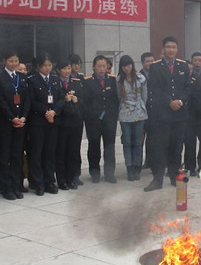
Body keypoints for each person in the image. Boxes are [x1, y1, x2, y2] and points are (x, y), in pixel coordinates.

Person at [144, 36, 192, 191]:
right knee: (160, 147)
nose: (171, 50)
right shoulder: (156, 67)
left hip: (180, 114)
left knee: (176, 147)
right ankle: (157, 179)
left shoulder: (183, 66)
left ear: (177, 49)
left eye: (173, 47)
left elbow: (188, 88)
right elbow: (154, 89)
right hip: (162, 115)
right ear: (163, 49)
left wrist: (181, 101)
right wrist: (169, 102)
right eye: (168, 47)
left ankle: (174, 177)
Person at [0, 50, 30, 201]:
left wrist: (23, 117)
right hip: (6, 124)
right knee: (4, 156)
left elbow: (27, 99)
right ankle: (5, 186)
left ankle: (16, 184)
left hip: (20, 123)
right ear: (4, 61)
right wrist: (12, 118)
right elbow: (0, 101)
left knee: (17, 156)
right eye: (11, 61)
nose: (14, 64)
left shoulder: (22, 78)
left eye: (16, 61)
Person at [27, 53, 61, 194]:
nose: (47, 68)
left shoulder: (55, 79)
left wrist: (54, 111)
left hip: (52, 121)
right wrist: (45, 112)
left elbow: (60, 98)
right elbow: (31, 101)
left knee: (50, 152)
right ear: (38, 66)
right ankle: (38, 183)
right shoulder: (32, 80)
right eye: (44, 65)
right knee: (37, 153)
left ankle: (49, 181)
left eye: (49, 65)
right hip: (38, 121)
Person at [83, 55, 119, 183]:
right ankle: (94, 173)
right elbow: (85, 102)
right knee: (94, 146)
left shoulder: (113, 80)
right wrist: (92, 115)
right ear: (94, 67)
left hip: (109, 119)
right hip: (93, 120)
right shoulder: (87, 81)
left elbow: (116, 100)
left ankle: (109, 173)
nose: (102, 69)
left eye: (104, 66)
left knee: (109, 146)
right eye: (99, 66)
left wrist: (114, 115)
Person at [53, 59, 83, 189]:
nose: (67, 71)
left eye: (69, 68)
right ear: (59, 70)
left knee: (73, 151)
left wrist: (77, 100)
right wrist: (64, 100)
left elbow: (84, 99)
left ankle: (71, 178)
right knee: (61, 152)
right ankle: (61, 179)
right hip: (61, 122)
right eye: (64, 68)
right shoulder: (55, 83)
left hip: (75, 121)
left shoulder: (76, 83)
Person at [118, 55, 148, 181]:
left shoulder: (141, 78)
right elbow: (119, 96)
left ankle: (137, 167)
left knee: (137, 141)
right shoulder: (119, 79)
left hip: (139, 113)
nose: (127, 67)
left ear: (132, 64)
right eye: (124, 65)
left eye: (129, 64)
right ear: (121, 67)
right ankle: (129, 167)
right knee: (127, 142)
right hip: (125, 114)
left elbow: (145, 96)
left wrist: (139, 107)